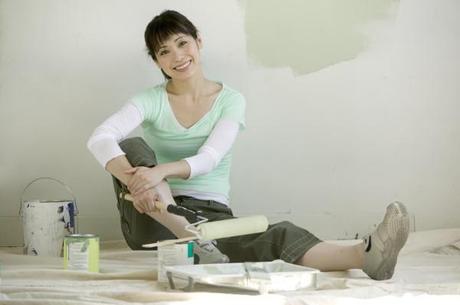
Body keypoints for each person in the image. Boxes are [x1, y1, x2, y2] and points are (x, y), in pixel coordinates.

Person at [87, 10, 410, 280]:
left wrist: (161, 172)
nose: (177, 56)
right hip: (150, 217)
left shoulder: (230, 100)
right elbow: (99, 138)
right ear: (156, 61)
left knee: (275, 233)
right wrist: (139, 181)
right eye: (164, 51)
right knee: (131, 146)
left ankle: (366, 254)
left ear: (198, 41)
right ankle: (188, 232)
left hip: (208, 214)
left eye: (182, 43)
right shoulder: (150, 100)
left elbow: (210, 157)